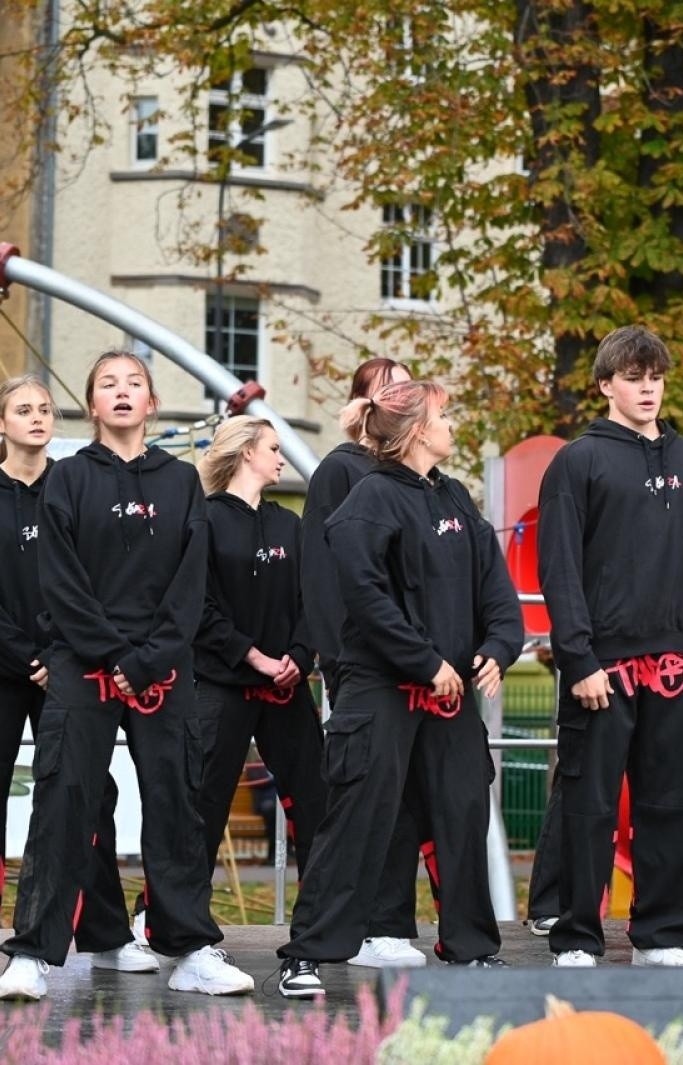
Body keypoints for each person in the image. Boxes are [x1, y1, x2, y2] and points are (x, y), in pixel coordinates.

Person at [0, 351, 253, 1000]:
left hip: (162, 668)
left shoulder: (180, 482)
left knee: (177, 805)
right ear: (91, 403)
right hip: (86, 665)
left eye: (133, 383)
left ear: (152, 402)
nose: (121, 391)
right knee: (63, 798)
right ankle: (32, 952)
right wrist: (113, 657)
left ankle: (190, 946)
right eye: (106, 382)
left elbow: (191, 583)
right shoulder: (68, 479)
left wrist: (148, 660)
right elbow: (60, 582)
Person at [275, 380, 523, 998]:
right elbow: (364, 596)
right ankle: (307, 953)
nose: (450, 424)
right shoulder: (370, 499)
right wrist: (423, 661)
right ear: (415, 431)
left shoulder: (456, 498)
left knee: (464, 812)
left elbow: (495, 588)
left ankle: (469, 947)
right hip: (381, 692)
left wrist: (496, 648)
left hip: (449, 698)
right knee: (357, 820)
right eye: (442, 414)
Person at [540, 326, 683, 970]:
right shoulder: (576, 462)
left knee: (671, 807)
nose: (647, 388)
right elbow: (559, 571)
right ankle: (577, 937)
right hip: (602, 670)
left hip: (674, 669)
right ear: (606, 384)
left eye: (655, 377)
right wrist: (578, 660)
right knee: (590, 807)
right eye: (634, 378)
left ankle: (666, 936)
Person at [0, 375, 145, 979]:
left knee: (87, 800)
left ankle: (106, 933)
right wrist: (29, 658)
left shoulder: (74, 483)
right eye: (23, 409)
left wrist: (62, 657)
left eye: (46, 409)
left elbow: (92, 582)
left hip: (69, 670)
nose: (37, 418)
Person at [300, 356, 431, 969]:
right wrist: (334, 655)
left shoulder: (420, 481)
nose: (399, 395)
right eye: (387, 387)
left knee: (404, 798)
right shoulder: (341, 471)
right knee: (360, 796)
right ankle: (347, 930)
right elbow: (325, 573)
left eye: (408, 385)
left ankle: (390, 924)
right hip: (361, 662)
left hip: (417, 666)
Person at [189, 415, 326, 900]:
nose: (281, 457)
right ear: (247, 451)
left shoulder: (289, 524)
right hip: (222, 687)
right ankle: (168, 917)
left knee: (314, 798)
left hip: (286, 686)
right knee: (203, 803)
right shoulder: (203, 520)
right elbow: (197, 607)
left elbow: (314, 599)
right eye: (273, 447)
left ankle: (321, 917)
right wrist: (253, 657)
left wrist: (297, 656)